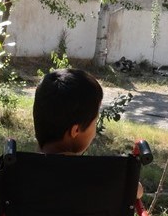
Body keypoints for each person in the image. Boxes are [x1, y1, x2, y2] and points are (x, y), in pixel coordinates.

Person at [31, 67, 144, 197]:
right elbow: (138, 191)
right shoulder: (108, 178)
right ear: (76, 130)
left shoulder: (17, 173)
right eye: (94, 122)